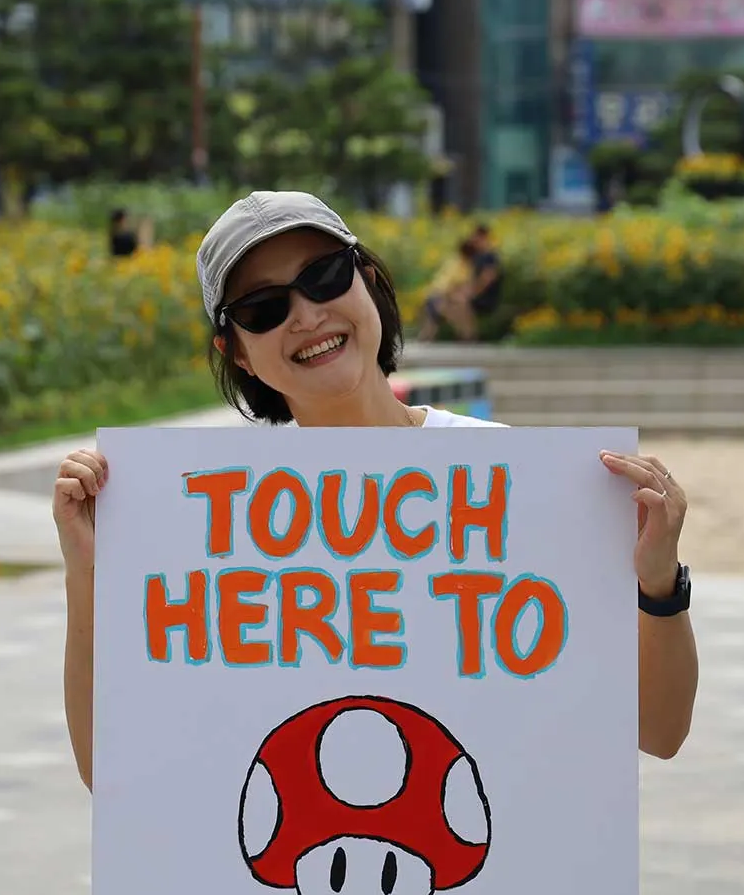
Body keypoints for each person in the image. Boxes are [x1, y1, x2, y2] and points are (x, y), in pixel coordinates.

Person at [54, 191, 698, 792]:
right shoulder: (204, 521)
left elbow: (660, 730)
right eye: (263, 308)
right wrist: (87, 572)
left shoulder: (509, 481)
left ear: (368, 280)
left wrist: (658, 585)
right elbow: (107, 766)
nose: (307, 315)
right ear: (237, 352)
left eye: (325, 276)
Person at [416, 237, 480, 341]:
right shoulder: (460, 266)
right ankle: (467, 335)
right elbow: (448, 287)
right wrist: (459, 297)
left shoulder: (456, 262)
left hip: (435, 295)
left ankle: (466, 335)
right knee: (459, 312)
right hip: (439, 296)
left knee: (430, 328)